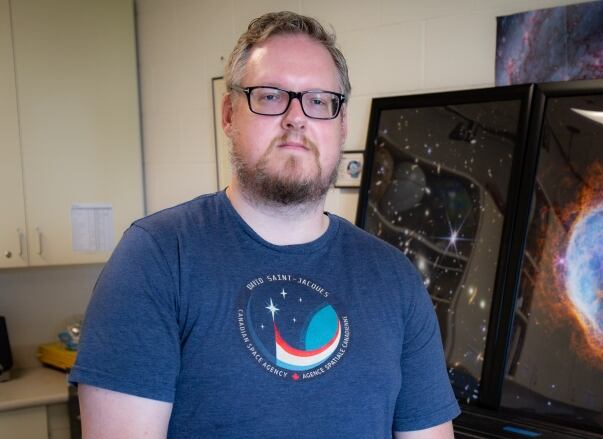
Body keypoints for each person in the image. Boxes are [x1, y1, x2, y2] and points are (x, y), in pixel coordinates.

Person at [69, 11, 460, 439]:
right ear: (229, 114)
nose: (297, 117)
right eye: (271, 96)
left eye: (318, 100)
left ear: (342, 123)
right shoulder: (157, 257)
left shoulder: (394, 279)